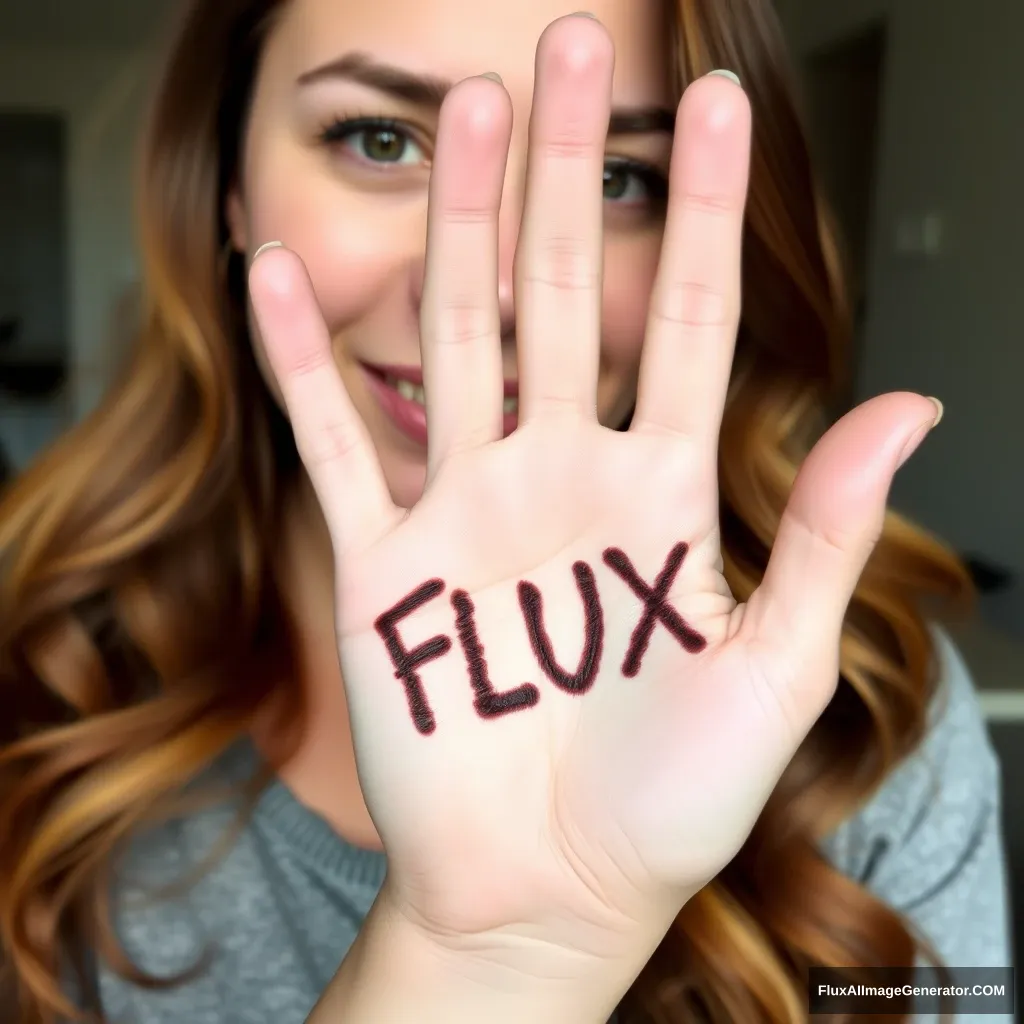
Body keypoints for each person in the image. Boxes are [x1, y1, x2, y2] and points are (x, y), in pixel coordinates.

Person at [0, 0, 1011, 1021]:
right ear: (228, 191)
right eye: (381, 140)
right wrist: (473, 972)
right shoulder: (32, 680)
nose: (481, 287)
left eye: (618, 178)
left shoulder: (873, 720)